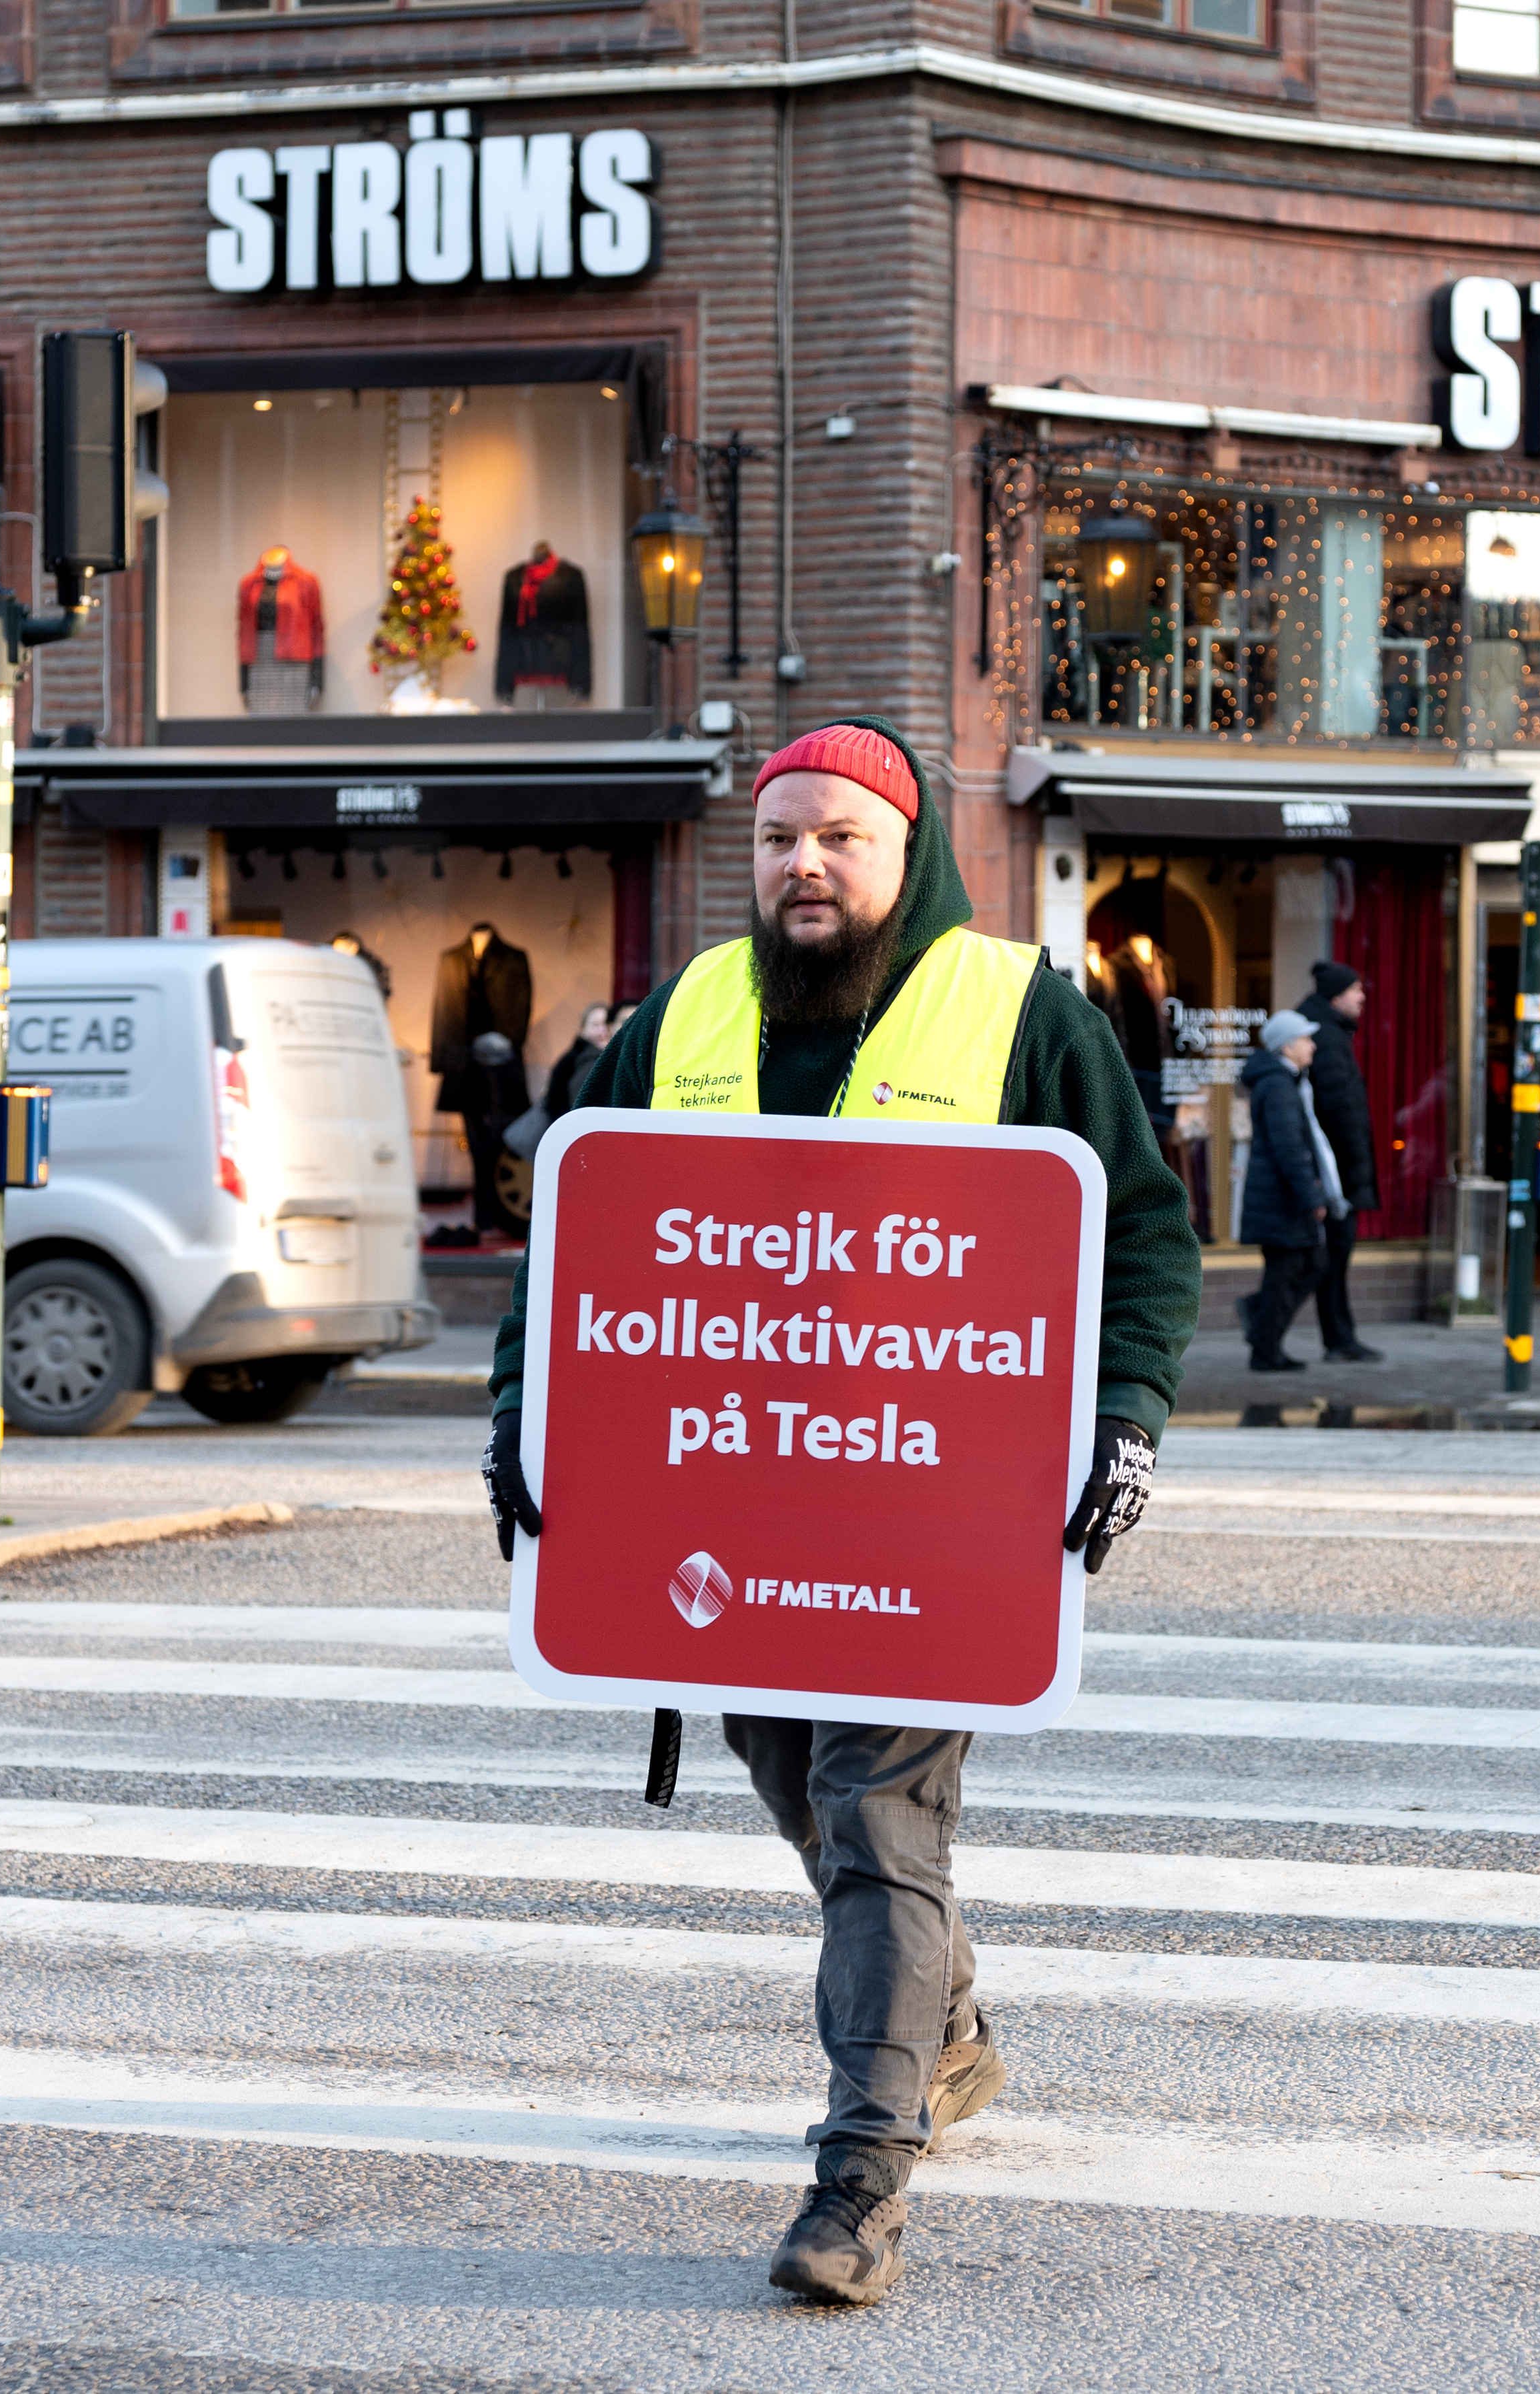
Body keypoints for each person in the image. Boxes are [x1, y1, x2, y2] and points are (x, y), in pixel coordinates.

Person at [476, 718, 1201, 2309]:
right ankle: (939, 2030)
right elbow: (578, 1235)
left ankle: (857, 2178)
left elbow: (1143, 1229)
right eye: (778, 836)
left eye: (839, 837)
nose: (803, 862)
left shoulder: (1025, 1010)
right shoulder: (686, 1009)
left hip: (943, 1524)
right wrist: (519, 1410)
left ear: (909, 850)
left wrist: (1126, 1420)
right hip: (731, 1516)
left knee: (879, 1816)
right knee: (798, 1778)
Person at [1240, 1009, 1341, 1372]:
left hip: (1279, 1199)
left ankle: (1260, 1322)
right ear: (1288, 1046)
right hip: (1281, 1201)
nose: (1312, 1046)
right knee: (1290, 1273)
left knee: (1308, 1265)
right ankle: (1265, 1348)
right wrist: (1312, 1199)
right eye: (1305, 1040)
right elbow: (1289, 1149)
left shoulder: (1285, 1082)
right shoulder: (1279, 1086)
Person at [1297, 960, 1387, 1362]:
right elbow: (1341, 1112)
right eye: (1356, 991)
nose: (1362, 997)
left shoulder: (1328, 1033)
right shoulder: (1328, 1039)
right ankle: (1337, 1338)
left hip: (1333, 1170)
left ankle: (1340, 1337)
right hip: (1334, 1174)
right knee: (1329, 1257)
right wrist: (1353, 1170)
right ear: (1336, 996)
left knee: (1327, 1258)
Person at [539, 1000, 614, 1124]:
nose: (603, 1030)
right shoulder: (576, 1060)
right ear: (583, 1030)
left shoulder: (606, 1058)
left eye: (606, 1024)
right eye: (596, 1025)